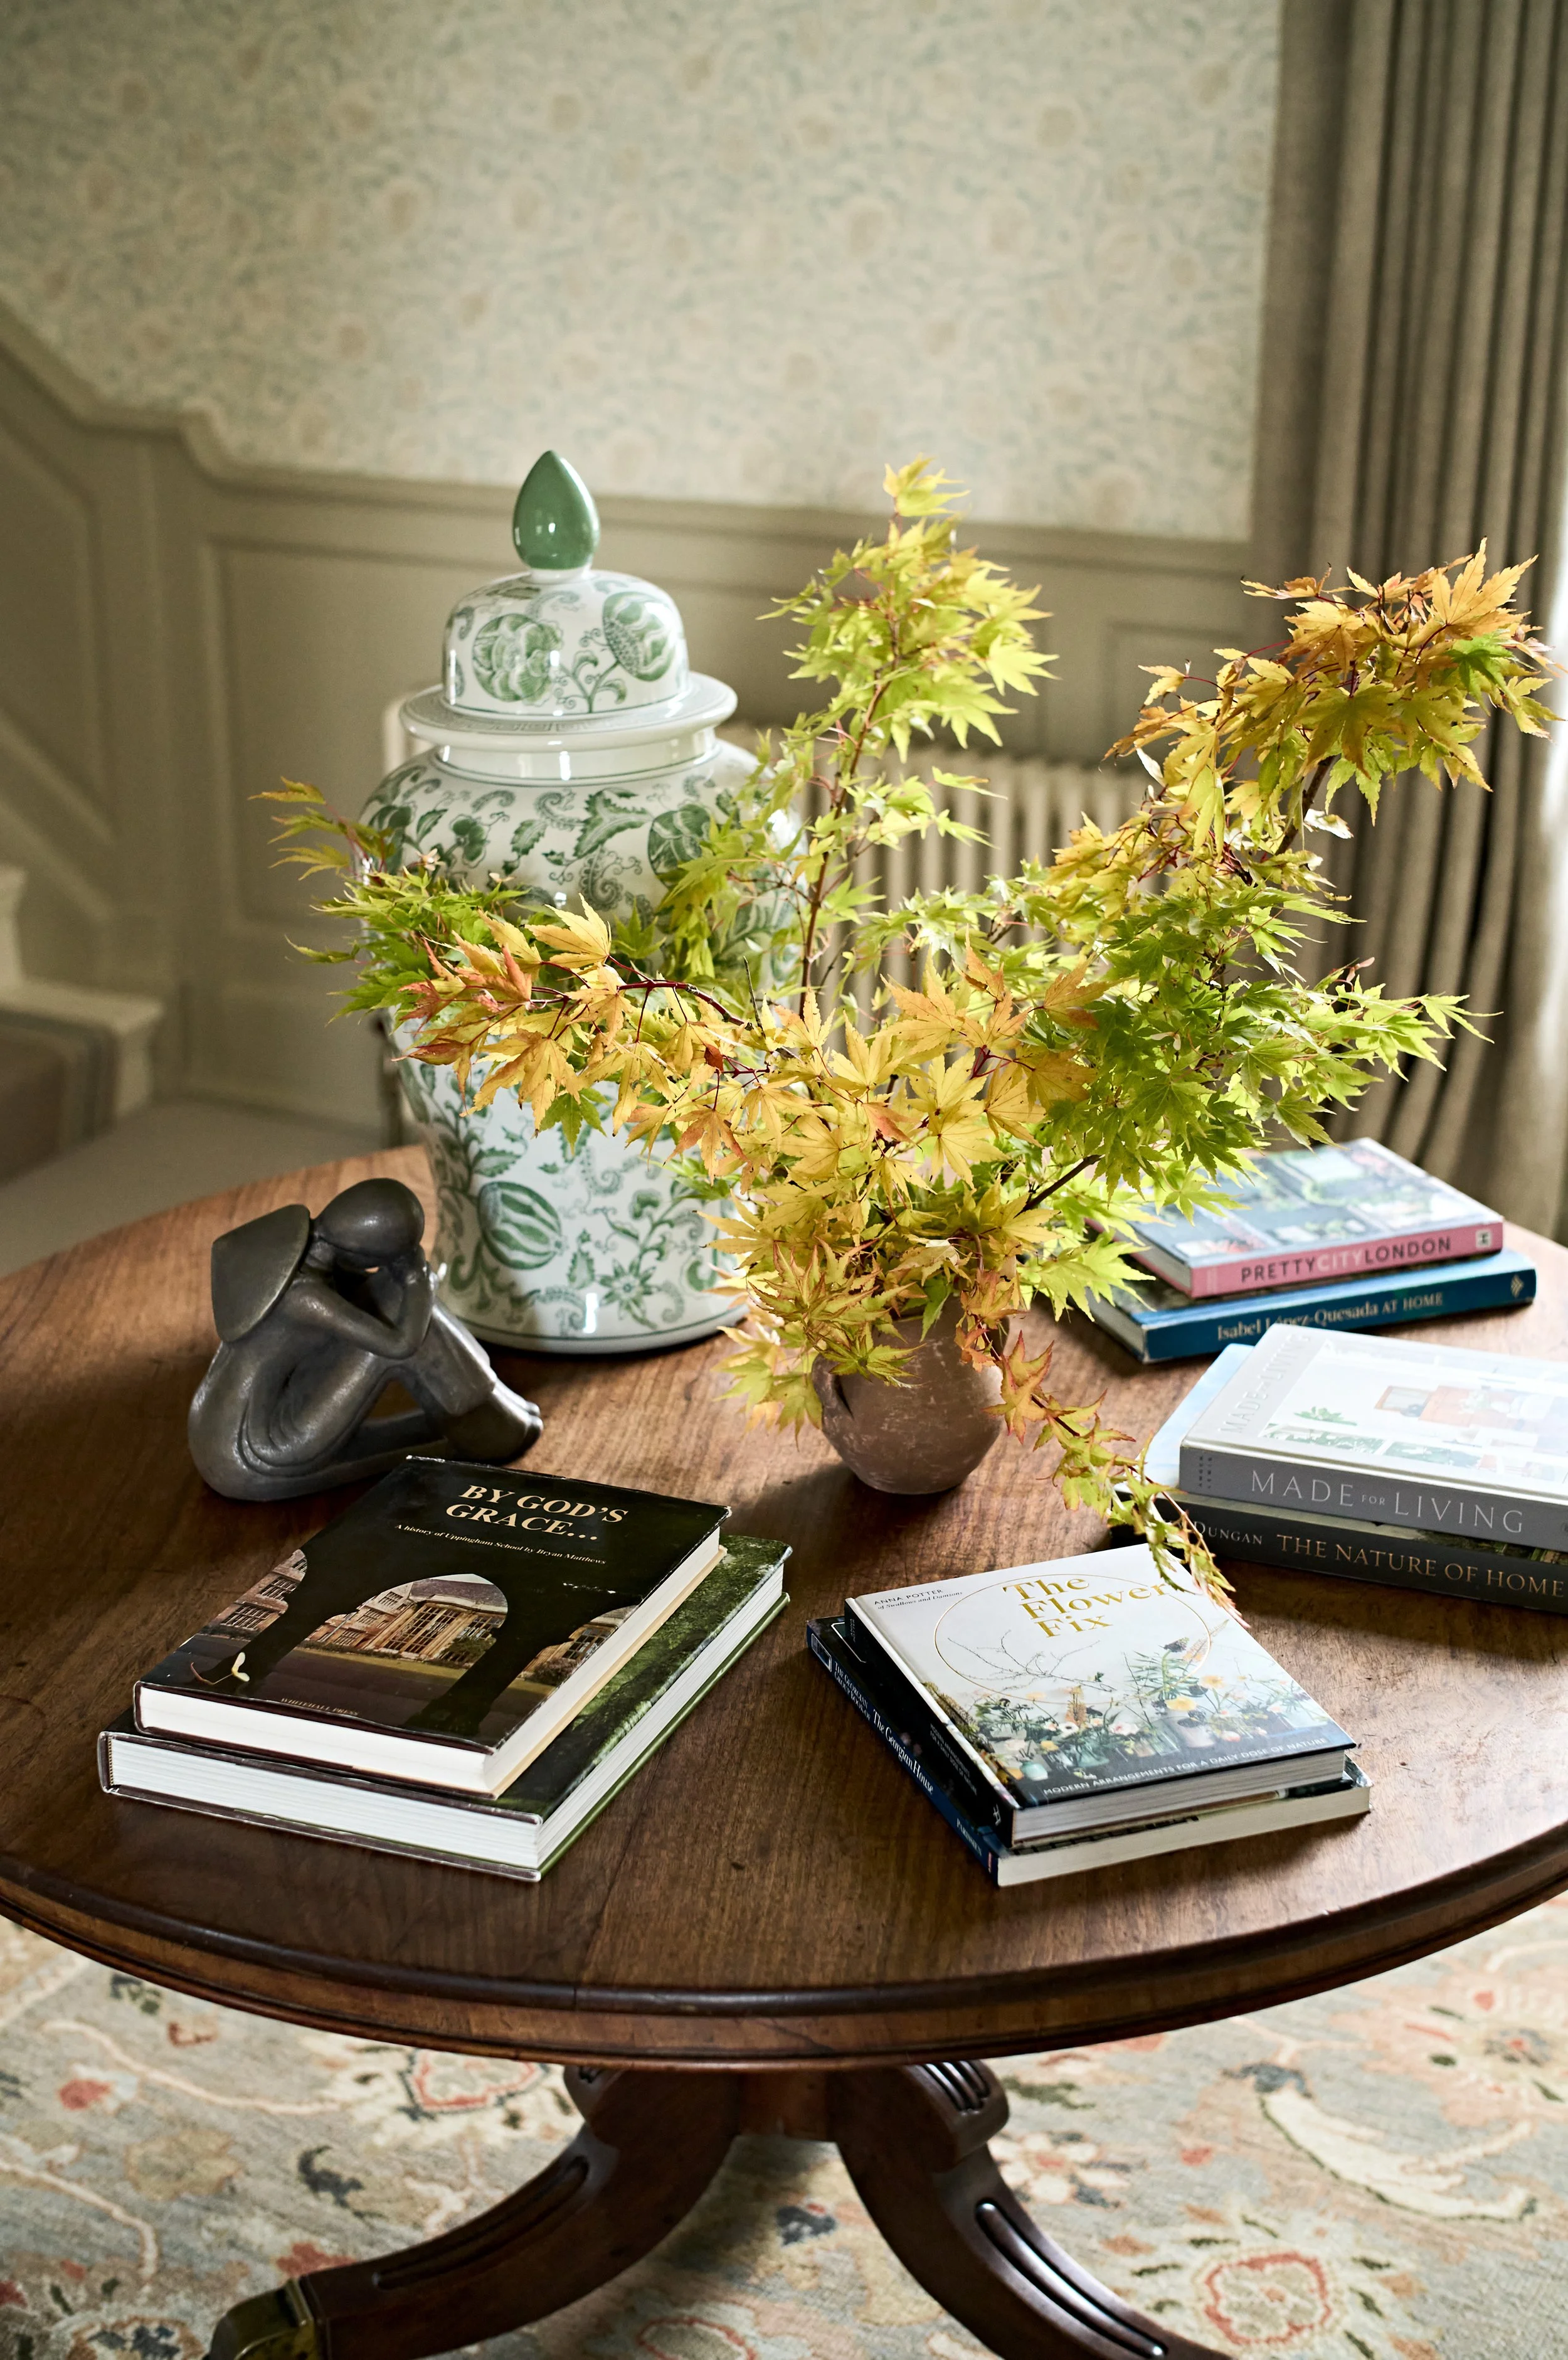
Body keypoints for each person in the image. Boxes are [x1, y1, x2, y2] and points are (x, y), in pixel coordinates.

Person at [188, 1177, 541, 1501]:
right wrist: (419, 1281)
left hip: (217, 1428)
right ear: (366, 1255)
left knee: (396, 1300)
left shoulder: (299, 1247)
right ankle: (488, 1426)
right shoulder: (304, 1296)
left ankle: (491, 1404)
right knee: (400, 1314)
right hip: (253, 1447)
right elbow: (400, 1345)